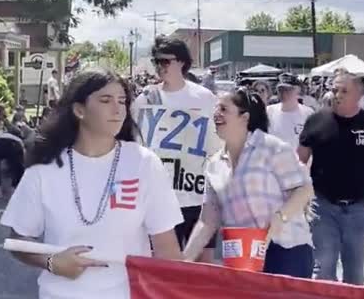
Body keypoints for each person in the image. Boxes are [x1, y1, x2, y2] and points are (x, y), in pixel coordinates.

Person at [0, 68, 183, 299]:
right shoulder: (44, 170)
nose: (118, 109)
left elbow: (167, 248)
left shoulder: (144, 163)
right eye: (106, 100)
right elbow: (18, 241)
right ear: (79, 110)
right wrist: (51, 262)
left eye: (122, 101)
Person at [184, 88, 314, 278]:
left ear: (244, 117)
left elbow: (305, 189)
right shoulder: (214, 165)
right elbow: (207, 221)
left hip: (285, 250)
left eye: (223, 109)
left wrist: (281, 216)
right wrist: (183, 261)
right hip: (243, 258)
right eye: (216, 109)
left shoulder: (272, 148)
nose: (216, 114)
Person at [298, 73, 364, 284]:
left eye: (344, 91)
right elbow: (299, 162)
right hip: (323, 206)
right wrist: (296, 198)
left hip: (361, 209)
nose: (337, 95)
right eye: (335, 89)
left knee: (355, 272)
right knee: (323, 268)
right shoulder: (316, 121)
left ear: (359, 94)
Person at [133, 36, 218, 263]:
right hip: (158, 196)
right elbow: (135, 146)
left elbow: (217, 148)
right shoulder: (145, 99)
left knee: (202, 267)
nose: (160, 67)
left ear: (181, 62)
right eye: (156, 62)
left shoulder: (204, 98)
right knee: (160, 267)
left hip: (196, 195)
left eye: (165, 61)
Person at [266, 73, 314, 149]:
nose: (283, 93)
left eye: (288, 90)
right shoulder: (268, 111)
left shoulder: (308, 113)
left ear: (298, 91)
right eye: (281, 90)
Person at [0, 125, 26, 199]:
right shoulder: (19, 140)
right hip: (14, 146)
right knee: (18, 169)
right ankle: (12, 190)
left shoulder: (0, 134)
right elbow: (22, 159)